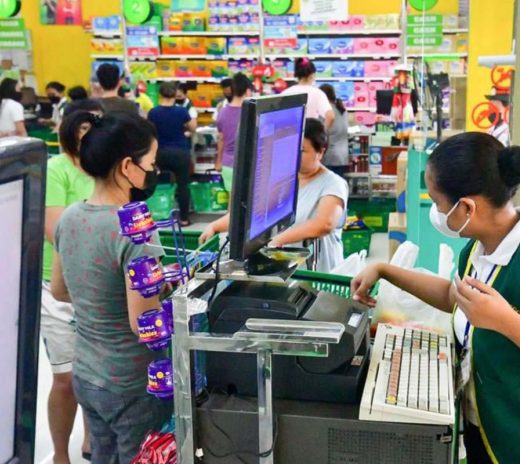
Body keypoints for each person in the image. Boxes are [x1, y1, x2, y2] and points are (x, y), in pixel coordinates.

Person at [351, 132, 520, 464]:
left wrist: (506, 322)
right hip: (491, 433)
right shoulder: (482, 245)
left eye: (437, 202)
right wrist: (386, 270)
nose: (435, 210)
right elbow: (455, 297)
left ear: (466, 207)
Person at [50, 111, 171, 463]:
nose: (154, 170)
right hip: (132, 381)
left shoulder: (70, 217)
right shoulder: (137, 231)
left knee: (104, 454)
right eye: (151, 162)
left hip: (87, 374)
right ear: (127, 166)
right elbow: (142, 323)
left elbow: (59, 290)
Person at [200, 118, 349, 272]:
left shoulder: (333, 184)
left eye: (302, 150)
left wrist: (276, 240)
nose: (293, 154)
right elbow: (252, 213)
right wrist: (214, 226)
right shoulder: (281, 179)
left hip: (319, 273)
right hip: (286, 270)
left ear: (320, 151)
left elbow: (324, 224)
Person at [41, 100, 103, 464]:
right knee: (66, 379)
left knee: (96, 376)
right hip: (57, 287)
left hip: (97, 286)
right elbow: (54, 229)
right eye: (81, 134)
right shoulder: (56, 169)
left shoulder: (106, 169)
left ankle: (92, 440)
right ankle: (61, 454)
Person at [148, 82, 196, 226]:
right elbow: (192, 128)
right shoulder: (181, 112)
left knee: (152, 183)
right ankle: (184, 219)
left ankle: (151, 216)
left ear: (160, 95)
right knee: (183, 186)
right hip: (180, 152)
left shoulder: (153, 112)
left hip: (159, 153)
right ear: (175, 94)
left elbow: (148, 133)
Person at [215, 73, 252, 190]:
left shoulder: (222, 112)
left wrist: (218, 161)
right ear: (247, 91)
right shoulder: (251, 113)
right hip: (247, 164)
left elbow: (221, 139)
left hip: (228, 164)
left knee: (231, 203)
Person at [282, 57, 334, 128]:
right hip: (311, 135)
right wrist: (322, 133)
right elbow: (330, 116)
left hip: (292, 135)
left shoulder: (285, 93)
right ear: (312, 75)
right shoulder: (318, 93)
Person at [319, 84, 350, 177]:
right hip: (343, 156)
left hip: (330, 156)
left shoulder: (326, 111)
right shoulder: (342, 109)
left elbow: (321, 132)